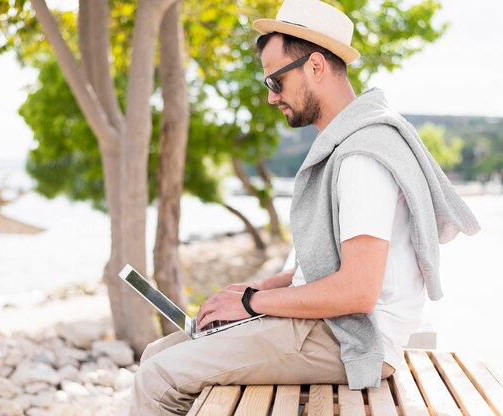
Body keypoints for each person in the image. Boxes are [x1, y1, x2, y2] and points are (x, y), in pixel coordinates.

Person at [129, 0, 480, 414]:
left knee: (157, 378)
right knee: (157, 353)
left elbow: (357, 290)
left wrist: (250, 306)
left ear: (315, 66)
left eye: (275, 82)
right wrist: (254, 289)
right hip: (334, 327)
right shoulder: (352, 144)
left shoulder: (360, 159)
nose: (272, 97)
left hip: (352, 338)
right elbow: (330, 269)